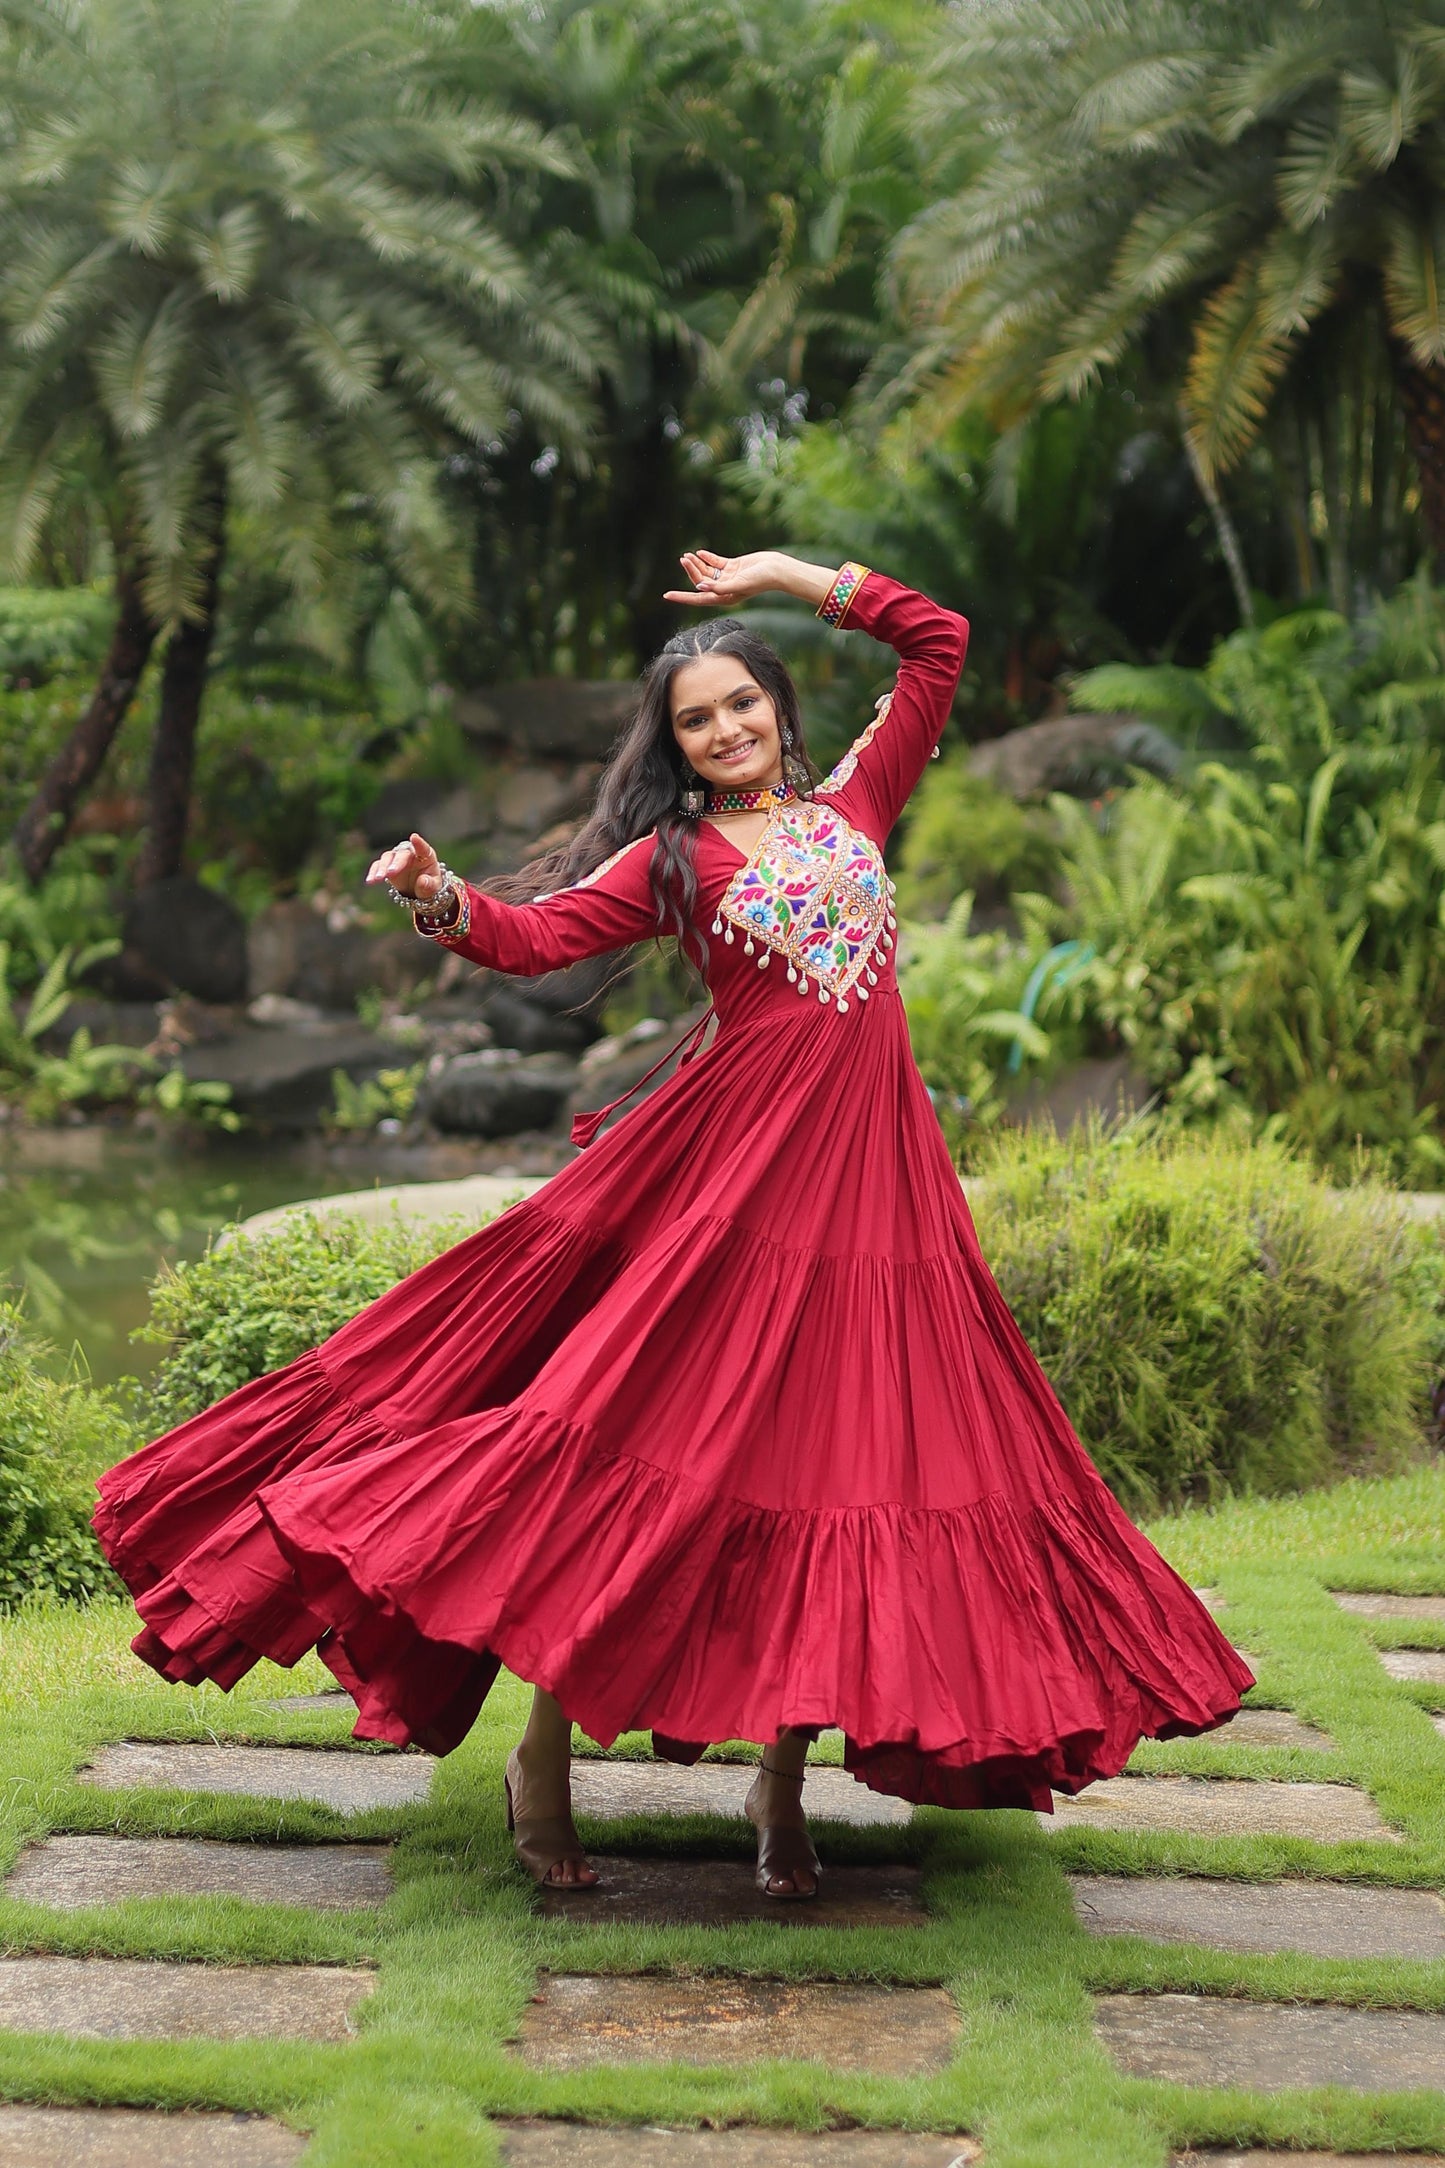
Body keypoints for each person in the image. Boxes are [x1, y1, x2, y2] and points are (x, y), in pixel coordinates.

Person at [95, 548, 1253, 1902]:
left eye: (741, 703)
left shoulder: (858, 800)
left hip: (877, 1195)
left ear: (778, 707)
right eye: (697, 720)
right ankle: (541, 1759)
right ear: (677, 746)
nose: (724, 729)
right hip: (734, 1190)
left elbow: (937, 639)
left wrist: (781, 578)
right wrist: (434, 895)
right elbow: (533, 941)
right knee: (627, 1444)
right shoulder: (672, 857)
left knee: (836, 1467)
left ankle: (781, 1785)